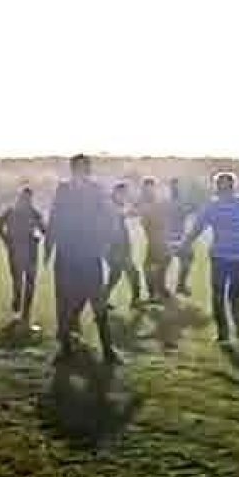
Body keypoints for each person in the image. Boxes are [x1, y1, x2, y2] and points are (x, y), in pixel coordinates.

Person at [45, 154, 117, 362]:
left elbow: (108, 218)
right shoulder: (64, 190)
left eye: (84, 168)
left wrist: (104, 244)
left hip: (87, 254)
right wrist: (49, 247)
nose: (82, 172)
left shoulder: (95, 191)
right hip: (68, 254)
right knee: (66, 301)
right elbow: (55, 218)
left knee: (96, 301)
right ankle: (66, 347)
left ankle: (107, 350)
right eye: (79, 168)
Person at [180, 172, 239, 346]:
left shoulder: (213, 206)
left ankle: (224, 333)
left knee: (219, 295)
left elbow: (197, 228)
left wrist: (185, 244)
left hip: (223, 256)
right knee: (234, 294)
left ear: (218, 187)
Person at [0, 185, 45, 328]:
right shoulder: (13, 211)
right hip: (21, 251)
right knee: (21, 282)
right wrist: (7, 240)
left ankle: (23, 313)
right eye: (25, 198)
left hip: (26, 251)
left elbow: (43, 230)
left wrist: (7, 240)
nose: (27, 201)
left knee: (26, 282)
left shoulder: (32, 213)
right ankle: (20, 311)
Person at [104, 181, 143, 309]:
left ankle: (102, 301)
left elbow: (129, 213)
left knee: (116, 275)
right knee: (132, 273)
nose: (125, 197)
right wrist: (132, 210)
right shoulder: (110, 205)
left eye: (125, 194)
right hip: (114, 248)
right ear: (116, 192)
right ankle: (135, 300)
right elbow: (123, 213)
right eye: (123, 193)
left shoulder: (117, 204)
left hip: (120, 247)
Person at [138, 178, 171, 303]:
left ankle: (156, 291)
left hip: (158, 239)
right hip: (155, 238)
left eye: (150, 187)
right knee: (157, 265)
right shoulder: (149, 202)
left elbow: (148, 220)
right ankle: (159, 290)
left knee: (154, 266)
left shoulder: (155, 203)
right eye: (146, 187)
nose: (148, 190)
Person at [167, 178, 195, 296]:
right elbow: (181, 213)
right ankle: (178, 285)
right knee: (164, 263)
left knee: (188, 258)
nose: (177, 188)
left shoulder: (177, 201)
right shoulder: (171, 202)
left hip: (178, 236)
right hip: (170, 237)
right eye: (175, 186)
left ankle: (180, 285)